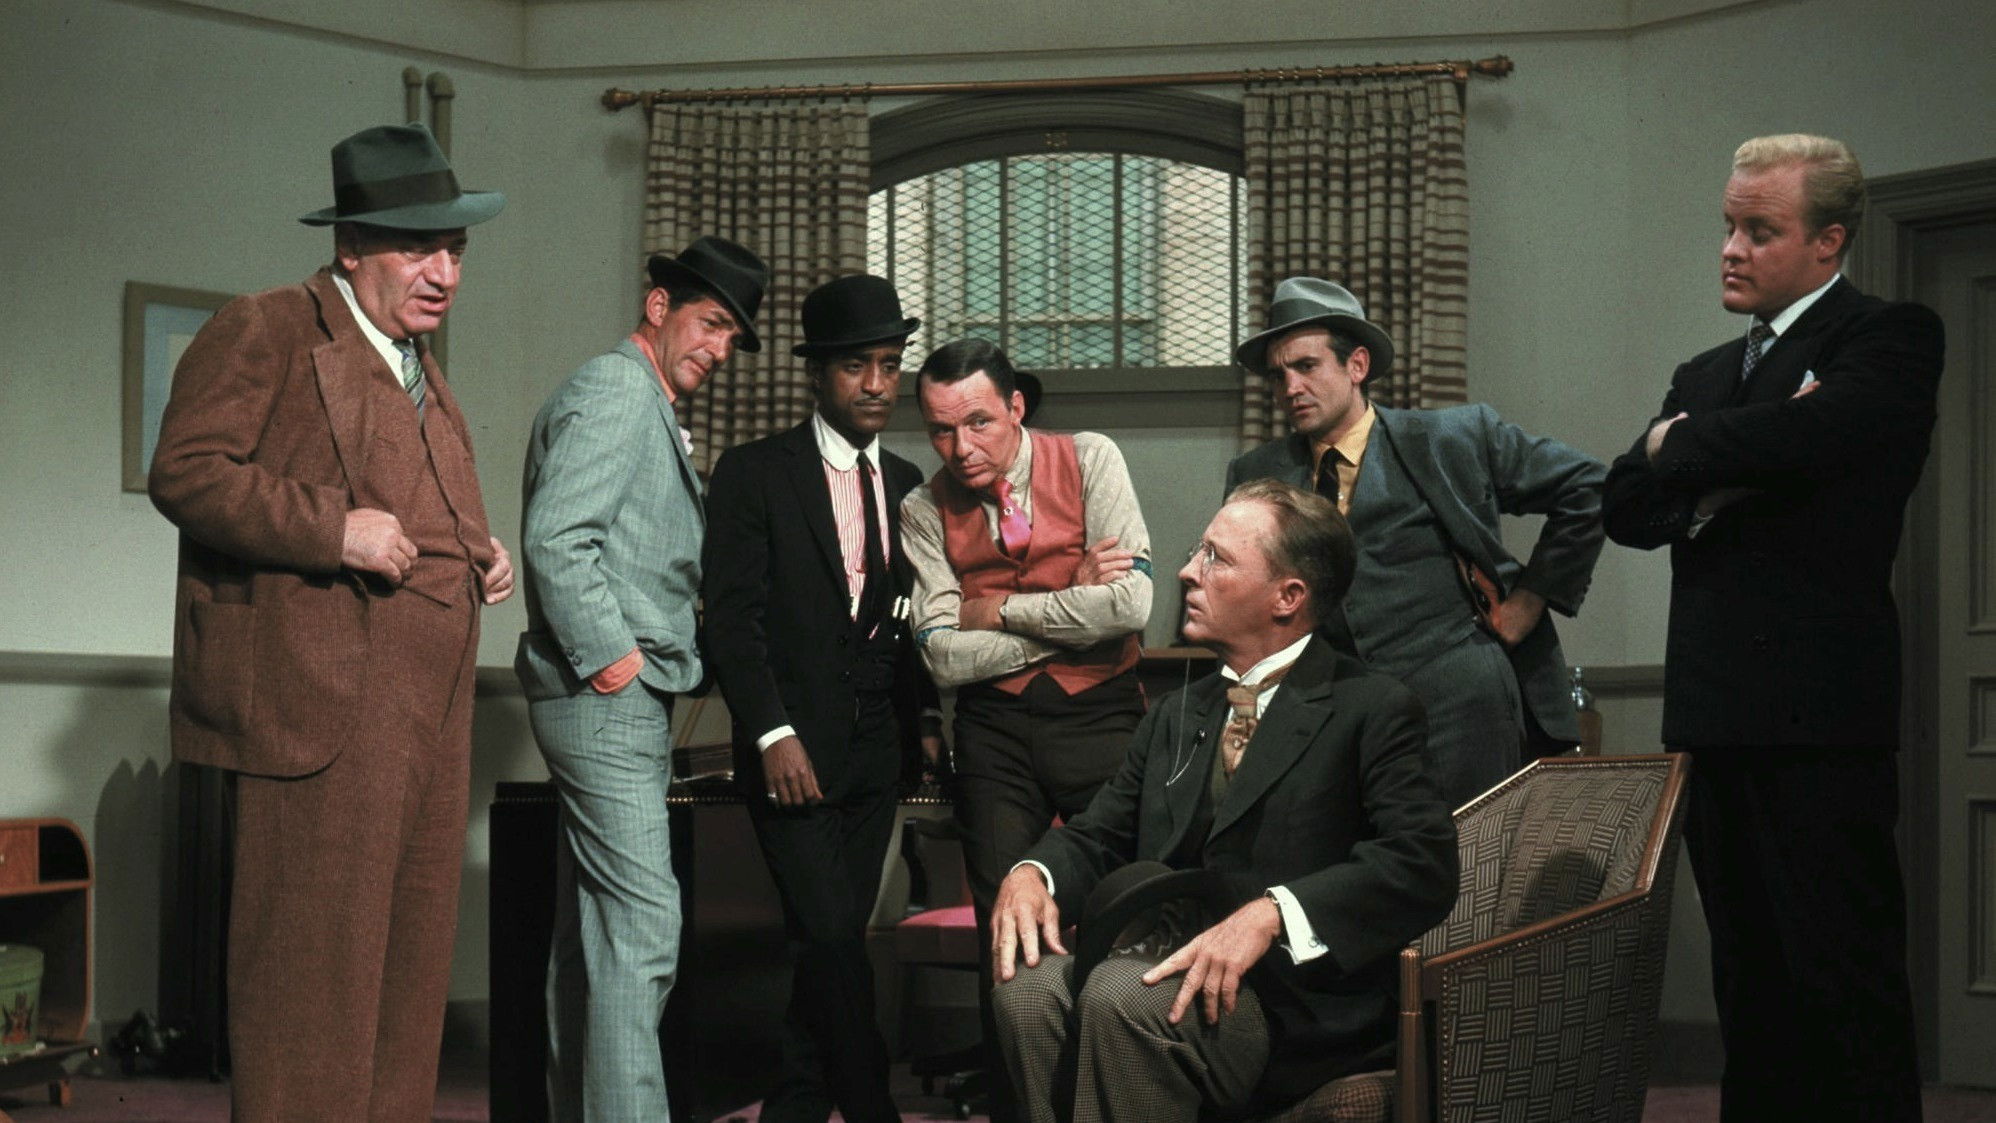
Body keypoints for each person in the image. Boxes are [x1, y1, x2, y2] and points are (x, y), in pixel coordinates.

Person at [148, 122, 511, 1122]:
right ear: (350, 246)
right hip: (320, 713)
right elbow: (186, 471)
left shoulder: (417, 363)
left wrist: (477, 548)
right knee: (310, 990)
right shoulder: (268, 326)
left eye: (455, 250)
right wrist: (332, 531)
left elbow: (413, 499)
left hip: (427, 724)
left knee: (404, 988)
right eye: (417, 248)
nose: (444, 273)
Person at [1602, 134, 1941, 1123]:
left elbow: (1817, 435)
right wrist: (1728, 462)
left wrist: (1681, 447)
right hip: (1713, 714)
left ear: (1828, 240)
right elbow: (1623, 502)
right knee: (1749, 985)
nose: (1731, 249)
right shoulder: (1705, 369)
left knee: (1842, 975)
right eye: (1728, 226)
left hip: (1819, 719)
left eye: (1760, 230)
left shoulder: (1889, 336)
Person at [988, 479, 1457, 1123]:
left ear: (1288, 597)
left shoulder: (1372, 707)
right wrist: (1032, 873)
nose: (1187, 572)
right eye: (1196, 551)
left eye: (1217, 558)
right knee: (1028, 990)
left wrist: (1273, 913)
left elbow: (1420, 862)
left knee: (1122, 995)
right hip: (1164, 963)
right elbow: (1100, 834)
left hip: (1294, 1006)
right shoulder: (1178, 713)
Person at [515, 236, 768, 1122]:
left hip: (606, 700)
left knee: (594, 936)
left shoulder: (639, 397)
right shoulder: (620, 390)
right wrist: (617, 662)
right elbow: (557, 539)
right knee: (644, 925)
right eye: (710, 323)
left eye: (733, 336)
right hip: (605, 700)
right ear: (659, 307)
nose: (720, 348)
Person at [701, 274, 943, 1123]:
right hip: (791, 753)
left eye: (889, 364)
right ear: (816, 374)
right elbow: (732, 621)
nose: (876, 383)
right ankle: (873, 1106)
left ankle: (795, 1107)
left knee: (822, 946)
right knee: (836, 935)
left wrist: (924, 720)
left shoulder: (910, 480)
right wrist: (771, 732)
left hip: (878, 752)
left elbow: (912, 617)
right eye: (854, 366)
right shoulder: (754, 472)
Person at [1225, 279, 1604, 807]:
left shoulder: (1453, 438)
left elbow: (1589, 487)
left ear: (1357, 365)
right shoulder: (1259, 474)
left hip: (1460, 708)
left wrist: (1529, 601)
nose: (1291, 387)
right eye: (1278, 374)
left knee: (1472, 854)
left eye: (1307, 366)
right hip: (1330, 720)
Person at [901, 337, 1153, 1120]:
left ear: (1015, 407)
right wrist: (1070, 608)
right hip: (994, 732)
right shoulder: (921, 508)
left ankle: (1124, 1099)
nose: (961, 448)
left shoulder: (1091, 458)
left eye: (978, 421)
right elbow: (942, 656)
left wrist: (995, 609)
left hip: (1103, 713)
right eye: (941, 430)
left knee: (1129, 906)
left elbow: (1131, 606)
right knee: (1005, 930)